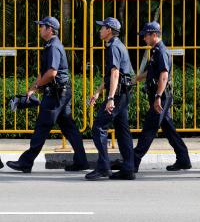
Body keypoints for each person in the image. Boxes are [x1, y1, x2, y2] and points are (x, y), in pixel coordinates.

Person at [6, 16, 89, 173]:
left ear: (50, 29)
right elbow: (44, 73)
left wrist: (37, 85)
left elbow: (51, 73)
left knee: (42, 126)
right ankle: (81, 161)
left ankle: (26, 162)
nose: (40, 29)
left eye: (42, 26)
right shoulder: (51, 45)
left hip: (56, 94)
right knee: (69, 128)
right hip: (61, 92)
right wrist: (33, 89)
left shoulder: (53, 47)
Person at [133, 20, 191, 172]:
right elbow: (152, 73)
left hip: (162, 96)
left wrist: (158, 96)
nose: (144, 38)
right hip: (160, 95)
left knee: (149, 128)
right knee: (168, 129)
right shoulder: (156, 51)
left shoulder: (162, 51)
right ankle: (183, 159)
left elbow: (164, 75)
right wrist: (135, 79)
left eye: (146, 35)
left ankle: (133, 161)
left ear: (154, 34)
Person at [85, 17, 135, 180]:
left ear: (109, 30)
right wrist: (99, 91)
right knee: (122, 130)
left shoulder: (113, 47)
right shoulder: (118, 45)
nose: (99, 30)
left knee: (98, 127)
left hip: (118, 94)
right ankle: (128, 168)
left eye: (102, 28)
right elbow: (110, 76)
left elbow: (115, 74)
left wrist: (111, 98)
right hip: (124, 93)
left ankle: (103, 167)